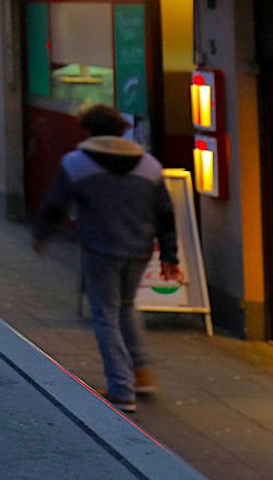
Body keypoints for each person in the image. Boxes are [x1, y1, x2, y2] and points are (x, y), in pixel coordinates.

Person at [32, 103, 180, 415]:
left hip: (100, 250)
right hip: (139, 250)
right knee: (126, 308)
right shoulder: (149, 165)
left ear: (88, 129)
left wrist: (42, 235)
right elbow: (165, 214)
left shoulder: (76, 163)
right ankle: (141, 373)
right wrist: (170, 255)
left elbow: (56, 204)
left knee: (105, 316)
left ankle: (122, 389)